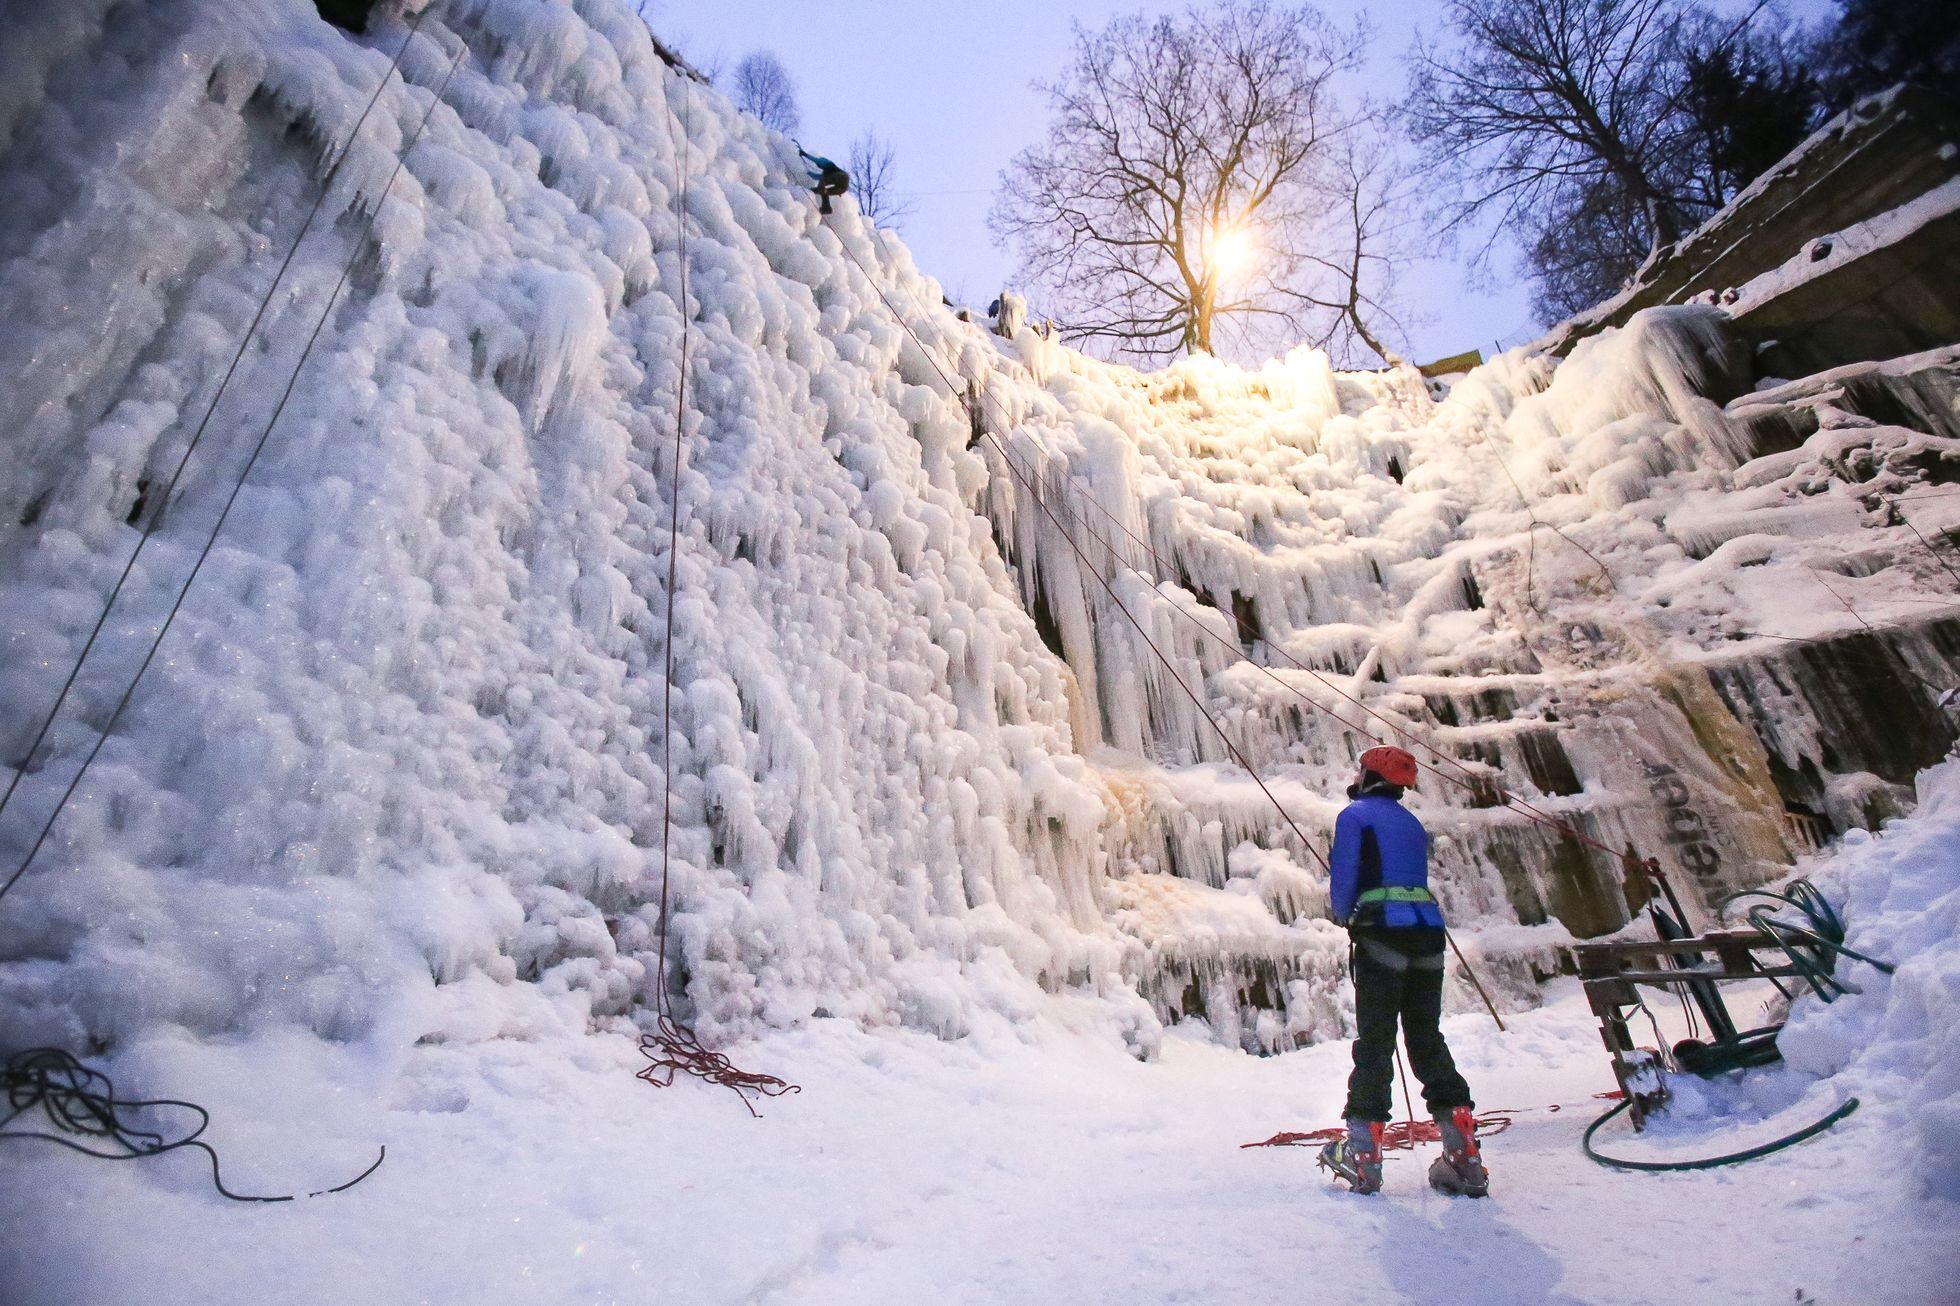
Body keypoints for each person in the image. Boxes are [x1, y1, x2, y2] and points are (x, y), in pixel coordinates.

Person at [1317, 745, 1490, 1198]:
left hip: (1382, 933)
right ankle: (1464, 1154)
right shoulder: (1411, 823)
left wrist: (1342, 913)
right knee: (1426, 1036)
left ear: (1368, 775)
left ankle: (1363, 1154)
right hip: (1428, 934)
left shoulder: (1355, 816)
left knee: (1376, 1039)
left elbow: (1345, 879)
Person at [797, 148, 850, 215]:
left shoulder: (827, 163)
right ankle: (826, 208)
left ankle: (826, 208)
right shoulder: (826, 174)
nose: (819, 166)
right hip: (842, 188)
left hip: (841, 177)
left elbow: (816, 160)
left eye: (819, 166)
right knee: (823, 191)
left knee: (822, 185)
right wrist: (806, 172)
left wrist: (804, 154)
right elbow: (816, 177)